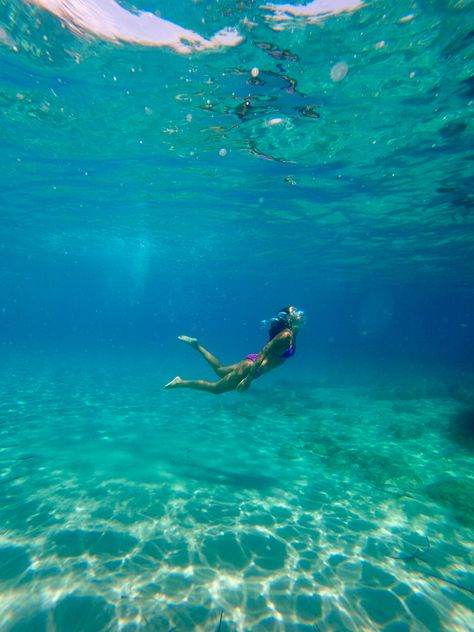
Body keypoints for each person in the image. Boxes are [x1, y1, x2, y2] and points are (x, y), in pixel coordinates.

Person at [164, 306, 305, 394]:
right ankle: (180, 382)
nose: (299, 313)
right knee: (216, 389)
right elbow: (264, 352)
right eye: (295, 312)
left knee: (220, 371)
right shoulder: (285, 336)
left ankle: (196, 345)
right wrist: (249, 378)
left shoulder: (293, 331)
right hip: (252, 368)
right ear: (288, 319)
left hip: (252, 361)